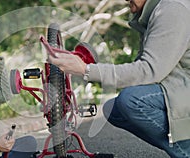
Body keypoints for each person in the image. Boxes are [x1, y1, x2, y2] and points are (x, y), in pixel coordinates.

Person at [48, 0, 190, 157]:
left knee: (132, 101)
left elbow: (148, 71)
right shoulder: (155, 11)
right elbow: (144, 72)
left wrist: (86, 70)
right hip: (181, 86)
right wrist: (90, 70)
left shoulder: (172, 10)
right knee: (113, 109)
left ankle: (185, 151)